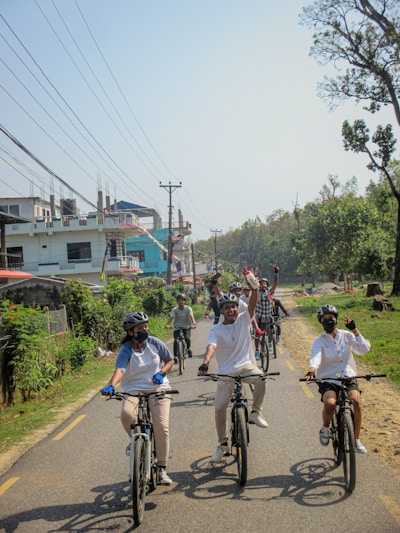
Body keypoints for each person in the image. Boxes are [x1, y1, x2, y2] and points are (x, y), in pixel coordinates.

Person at [101, 312, 175, 484]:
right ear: (130, 332)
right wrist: (112, 385)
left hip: (158, 388)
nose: (144, 330)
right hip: (134, 388)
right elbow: (120, 369)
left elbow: (170, 360)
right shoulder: (126, 349)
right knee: (127, 415)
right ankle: (134, 440)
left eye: (145, 326)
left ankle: (162, 469)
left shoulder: (155, 342)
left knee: (161, 426)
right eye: (140, 328)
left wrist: (161, 373)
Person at [198, 288, 268, 463]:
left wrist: (254, 287)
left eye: (233, 307)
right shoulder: (216, 330)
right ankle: (222, 444)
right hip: (226, 373)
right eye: (226, 307)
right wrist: (205, 363)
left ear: (238, 308)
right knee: (220, 408)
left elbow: (252, 303)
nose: (231, 310)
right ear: (221, 311)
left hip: (245, 367)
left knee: (261, 378)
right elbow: (211, 347)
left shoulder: (244, 320)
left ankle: (256, 412)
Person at [304, 304, 371, 453]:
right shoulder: (319, 340)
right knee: (330, 403)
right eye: (325, 319)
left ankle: (356, 439)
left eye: (331, 318)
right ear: (320, 322)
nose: (328, 321)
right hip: (328, 378)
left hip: (348, 376)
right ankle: (326, 428)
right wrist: (312, 370)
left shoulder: (347, 336)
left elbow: (363, 349)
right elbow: (316, 356)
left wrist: (355, 330)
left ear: (336, 319)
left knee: (356, 401)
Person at [254, 264, 280, 357]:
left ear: (267, 285)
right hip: (259, 318)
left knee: (271, 332)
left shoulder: (270, 293)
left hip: (268, 318)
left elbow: (275, 283)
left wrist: (276, 272)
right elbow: (253, 285)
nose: (263, 285)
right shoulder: (257, 293)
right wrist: (255, 275)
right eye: (261, 283)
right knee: (257, 336)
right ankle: (257, 351)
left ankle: (270, 344)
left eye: (265, 283)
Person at [166, 293, 196, 360]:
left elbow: (191, 316)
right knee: (176, 340)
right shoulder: (174, 309)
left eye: (182, 300)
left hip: (187, 327)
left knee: (187, 338)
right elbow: (171, 317)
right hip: (177, 327)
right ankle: (175, 356)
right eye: (179, 300)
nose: (181, 301)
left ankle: (188, 349)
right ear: (177, 301)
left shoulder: (188, 308)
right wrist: (168, 324)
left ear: (184, 301)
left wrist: (194, 324)